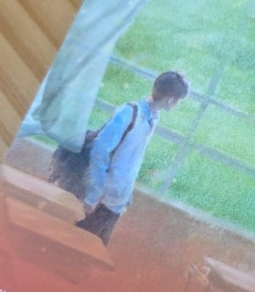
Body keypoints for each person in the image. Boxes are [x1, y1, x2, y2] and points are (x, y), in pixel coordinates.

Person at [76, 70, 189, 244]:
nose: (177, 104)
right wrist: (93, 194)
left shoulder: (153, 117)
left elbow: (131, 159)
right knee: (81, 246)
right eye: (178, 100)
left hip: (114, 201)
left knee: (93, 247)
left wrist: (124, 194)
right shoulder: (129, 113)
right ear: (170, 99)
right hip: (101, 199)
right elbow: (100, 151)